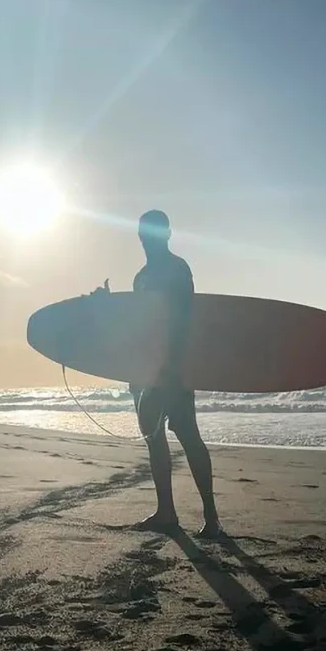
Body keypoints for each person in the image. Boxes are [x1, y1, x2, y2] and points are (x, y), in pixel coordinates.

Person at [120, 210, 220, 537]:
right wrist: (107, 307)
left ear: (165, 234)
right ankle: (167, 513)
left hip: (173, 369)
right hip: (146, 373)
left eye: (151, 233)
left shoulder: (178, 269)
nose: (146, 239)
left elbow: (183, 322)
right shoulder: (140, 276)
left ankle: (211, 517)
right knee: (154, 439)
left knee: (188, 434)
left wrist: (174, 367)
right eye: (142, 234)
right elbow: (139, 325)